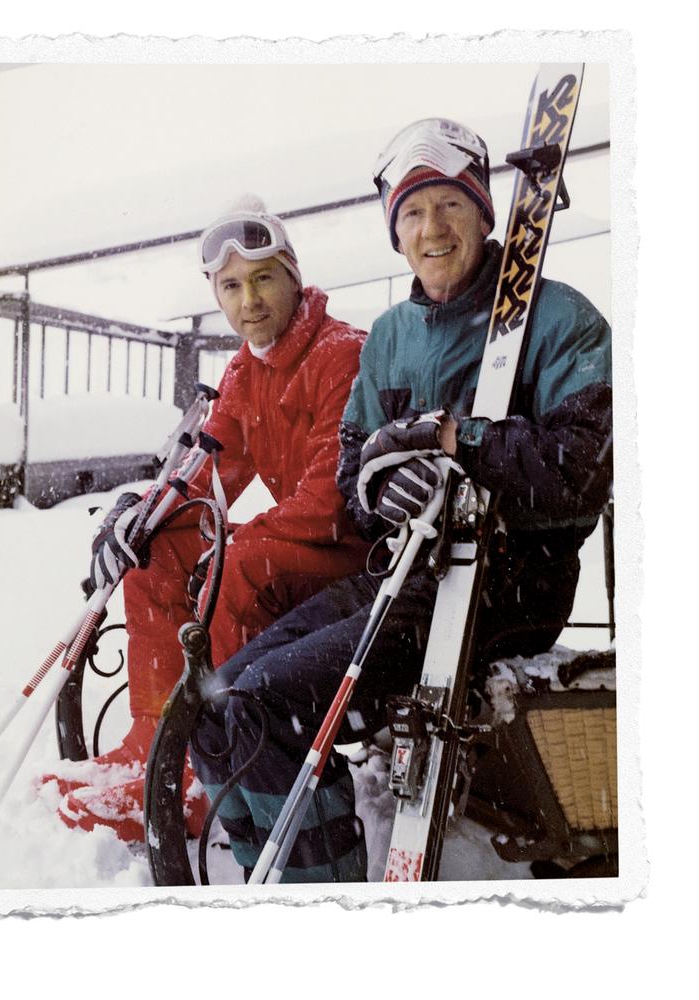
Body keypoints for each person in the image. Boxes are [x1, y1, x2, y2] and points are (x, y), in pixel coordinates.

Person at [190, 118, 613, 882]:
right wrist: (381, 482)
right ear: (394, 233)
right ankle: (265, 876)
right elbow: (352, 475)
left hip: (509, 587)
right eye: (412, 212)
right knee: (217, 702)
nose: (432, 228)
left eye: (450, 204)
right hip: (405, 574)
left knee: (268, 705)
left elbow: (586, 468)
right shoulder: (389, 336)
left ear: (484, 213)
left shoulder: (560, 318)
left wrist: (460, 443)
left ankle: (322, 896)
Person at [47, 200, 369, 842]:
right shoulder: (247, 368)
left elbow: (329, 501)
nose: (249, 301)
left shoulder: (342, 355)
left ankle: (205, 769)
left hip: (354, 557)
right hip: (299, 547)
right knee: (160, 546)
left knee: (239, 565)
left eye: (263, 278)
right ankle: (153, 742)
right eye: (231, 286)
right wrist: (142, 513)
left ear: (293, 277)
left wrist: (237, 545)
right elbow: (206, 472)